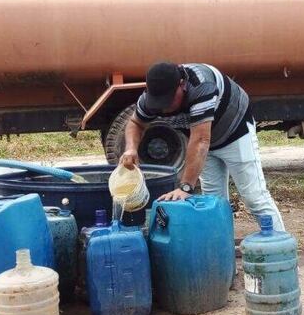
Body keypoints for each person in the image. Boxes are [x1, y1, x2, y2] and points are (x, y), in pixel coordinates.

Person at [121, 61, 285, 231]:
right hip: (204, 142)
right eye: (159, 101)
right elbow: (135, 122)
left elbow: (200, 141)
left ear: (182, 85)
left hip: (235, 131)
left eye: (168, 100)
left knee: (254, 197)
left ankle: (281, 248)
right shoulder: (151, 99)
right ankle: (220, 251)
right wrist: (131, 147)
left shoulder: (201, 85)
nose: (164, 107)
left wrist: (185, 187)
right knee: (213, 202)